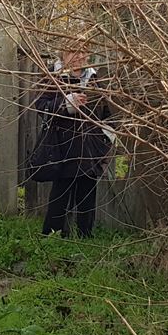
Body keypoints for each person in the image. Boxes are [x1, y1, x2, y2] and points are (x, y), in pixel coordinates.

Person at [29, 45, 112, 236]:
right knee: (61, 193)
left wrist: (106, 137)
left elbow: (108, 112)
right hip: (62, 146)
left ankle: (85, 235)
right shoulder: (53, 77)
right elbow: (41, 106)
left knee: (87, 193)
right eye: (73, 51)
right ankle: (53, 234)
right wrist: (67, 103)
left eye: (83, 51)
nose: (79, 56)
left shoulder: (95, 79)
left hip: (89, 147)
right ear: (63, 54)